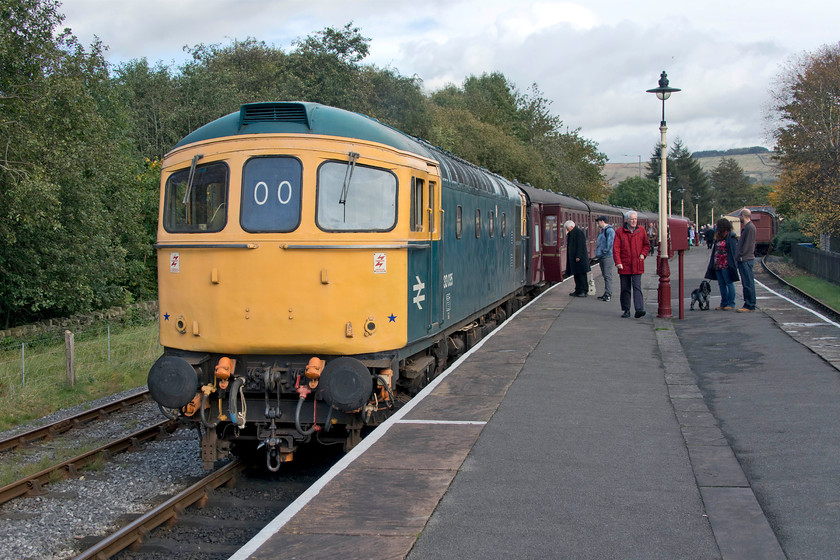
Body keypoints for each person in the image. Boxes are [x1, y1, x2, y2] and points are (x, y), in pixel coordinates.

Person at [613, 211, 650, 318]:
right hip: (624, 264)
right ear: (627, 220)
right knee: (625, 288)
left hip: (637, 264)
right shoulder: (620, 232)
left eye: (635, 219)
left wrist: (643, 254)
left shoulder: (641, 230)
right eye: (632, 219)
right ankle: (626, 309)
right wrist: (618, 262)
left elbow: (646, 245)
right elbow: (616, 248)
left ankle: (639, 309)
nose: (634, 221)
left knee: (637, 286)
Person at [704, 218, 740, 310]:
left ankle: (731, 303)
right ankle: (723, 303)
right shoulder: (719, 237)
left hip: (726, 264)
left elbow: (733, 251)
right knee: (721, 284)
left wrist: (733, 264)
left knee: (729, 283)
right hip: (717, 264)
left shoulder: (731, 237)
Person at [736, 209, 757, 312]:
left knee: (748, 283)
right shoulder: (747, 228)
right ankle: (748, 303)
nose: (739, 218)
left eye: (740, 216)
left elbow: (748, 245)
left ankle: (750, 304)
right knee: (746, 282)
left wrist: (740, 254)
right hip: (745, 258)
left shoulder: (749, 228)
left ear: (744, 216)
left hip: (746, 259)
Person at [564, 220, 590, 297]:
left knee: (582, 275)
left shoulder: (579, 233)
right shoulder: (572, 233)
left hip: (579, 259)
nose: (567, 230)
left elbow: (581, 246)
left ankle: (584, 290)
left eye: (568, 228)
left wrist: (578, 256)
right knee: (576, 275)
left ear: (571, 227)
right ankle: (578, 290)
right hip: (575, 259)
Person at [594, 216, 615, 301]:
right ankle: (606, 293)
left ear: (602, 221)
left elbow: (610, 244)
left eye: (598, 222)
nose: (597, 223)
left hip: (607, 257)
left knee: (607, 275)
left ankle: (608, 294)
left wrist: (603, 252)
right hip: (602, 256)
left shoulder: (609, 231)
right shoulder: (603, 231)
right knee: (605, 275)